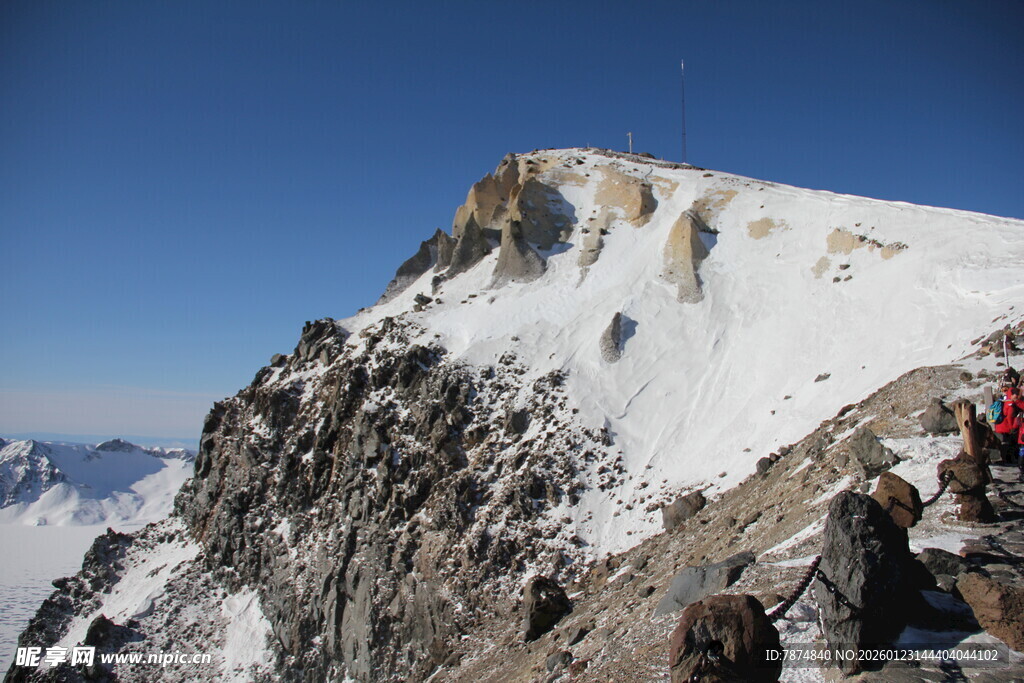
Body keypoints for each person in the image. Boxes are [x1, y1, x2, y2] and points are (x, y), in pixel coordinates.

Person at [992, 383, 1022, 465]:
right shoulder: (1010, 404)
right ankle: (1009, 460)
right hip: (1006, 427)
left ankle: (1006, 459)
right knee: (1009, 444)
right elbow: (1009, 417)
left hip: (999, 425)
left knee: (1005, 443)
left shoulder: (1002, 401)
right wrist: (1012, 427)